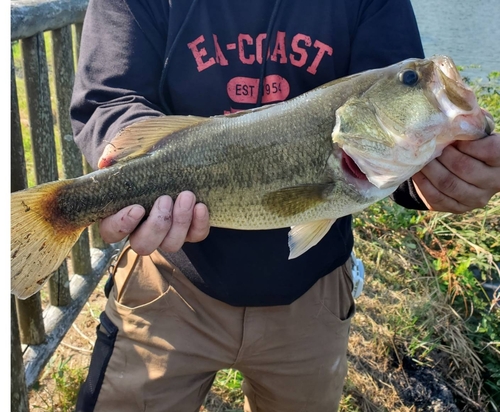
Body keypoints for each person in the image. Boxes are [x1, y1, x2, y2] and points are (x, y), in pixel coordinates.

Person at [70, 0, 500, 411]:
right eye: (413, 80)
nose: (422, 81)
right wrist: (124, 158)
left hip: (313, 294)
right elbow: (108, 98)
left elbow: (393, 153)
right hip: (166, 282)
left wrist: (446, 172)